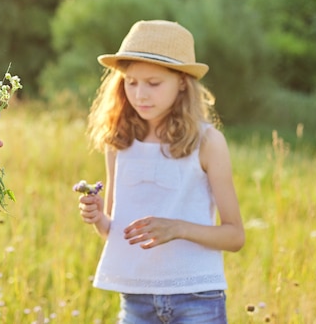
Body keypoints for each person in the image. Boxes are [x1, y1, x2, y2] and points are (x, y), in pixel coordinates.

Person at [77, 20, 245, 323]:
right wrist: (98, 217)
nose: (140, 94)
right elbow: (114, 233)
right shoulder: (119, 142)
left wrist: (178, 228)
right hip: (136, 299)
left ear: (182, 81)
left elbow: (235, 236)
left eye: (153, 84)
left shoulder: (207, 142)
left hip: (197, 297)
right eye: (130, 82)